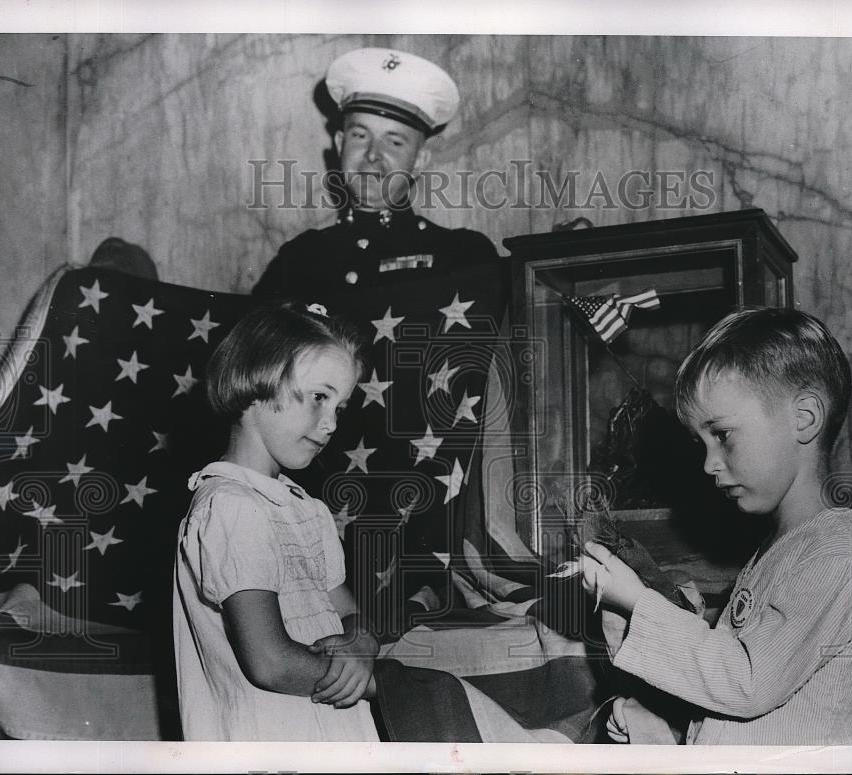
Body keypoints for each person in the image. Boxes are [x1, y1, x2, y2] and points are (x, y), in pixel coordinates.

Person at [581, 307, 852, 745]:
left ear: (804, 418)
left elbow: (745, 682)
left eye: (721, 434)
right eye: (700, 443)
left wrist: (638, 602)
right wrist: (665, 725)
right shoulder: (783, 547)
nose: (708, 464)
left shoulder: (833, 557)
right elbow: (740, 706)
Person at [172, 302, 380, 741]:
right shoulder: (230, 506)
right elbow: (271, 663)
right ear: (255, 380)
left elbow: (348, 613)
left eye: (340, 407)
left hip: (332, 736)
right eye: (320, 397)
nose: (330, 425)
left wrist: (362, 639)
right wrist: (390, 687)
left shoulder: (306, 509)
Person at [253, 47, 498, 299]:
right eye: (360, 136)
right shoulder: (297, 260)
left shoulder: (462, 256)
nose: (372, 154)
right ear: (340, 144)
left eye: (394, 142)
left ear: (419, 160)